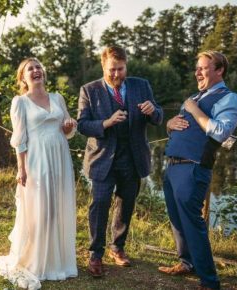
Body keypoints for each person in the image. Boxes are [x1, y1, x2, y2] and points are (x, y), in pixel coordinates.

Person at [159, 50, 237, 290]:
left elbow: (219, 132)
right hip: (173, 166)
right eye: (197, 67)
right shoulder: (196, 96)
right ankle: (186, 263)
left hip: (193, 168)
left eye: (203, 67)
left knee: (193, 223)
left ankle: (209, 281)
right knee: (177, 220)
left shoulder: (229, 99)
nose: (197, 72)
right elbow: (181, 128)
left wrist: (192, 108)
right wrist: (168, 124)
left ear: (219, 71)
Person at [0, 57, 78, 289]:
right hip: (37, 160)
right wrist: (21, 169)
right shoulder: (20, 102)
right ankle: (37, 260)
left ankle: (58, 261)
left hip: (60, 157)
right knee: (41, 209)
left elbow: (67, 127)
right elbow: (20, 139)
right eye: (30, 69)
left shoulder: (57, 98)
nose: (36, 70)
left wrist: (69, 126)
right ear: (23, 78)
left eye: (39, 66)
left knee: (58, 207)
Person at [77, 46, 163, 277]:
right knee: (99, 205)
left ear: (126, 66)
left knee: (126, 206)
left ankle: (118, 248)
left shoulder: (141, 85)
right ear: (103, 67)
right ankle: (96, 254)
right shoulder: (89, 90)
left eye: (120, 69)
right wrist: (106, 123)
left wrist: (152, 110)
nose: (116, 74)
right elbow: (82, 124)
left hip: (133, 158)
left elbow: (158, 117)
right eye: (111, 70)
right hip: (102, 159)